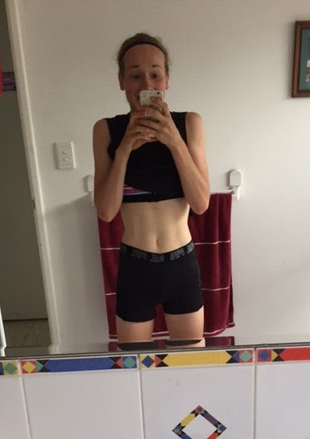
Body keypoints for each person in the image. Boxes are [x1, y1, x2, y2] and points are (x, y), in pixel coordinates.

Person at [93, 33, 210, 345]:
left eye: (155, 74)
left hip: (181, 265)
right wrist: (124, 150)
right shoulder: (107, 131)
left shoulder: (190, 124)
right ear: (121, 81)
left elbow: (201, 203)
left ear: (166, 80)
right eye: (135, 75)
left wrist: (174, 141)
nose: (146, 84)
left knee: (191, 366)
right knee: (133, 367)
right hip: (136, 268)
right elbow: (106, 212)